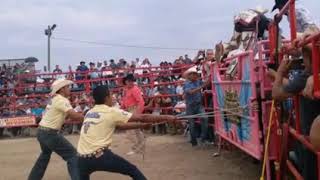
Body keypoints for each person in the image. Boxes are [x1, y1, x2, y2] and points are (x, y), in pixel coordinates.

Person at [77, 85, 177, 180]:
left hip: (81, 159)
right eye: (111, 95)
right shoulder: (111, 111)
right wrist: (167, 117)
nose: (113, 97)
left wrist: (142, 126)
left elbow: (120, 126)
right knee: (133, 170)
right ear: (107, 97)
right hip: (99, 156)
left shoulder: (89, 112)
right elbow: (143, 117)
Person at [28, 79, 84, 180]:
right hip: (50, 134)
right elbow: (74, 116)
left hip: (42, 132)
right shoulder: (62, 100)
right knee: (72, 156)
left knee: (44, 156)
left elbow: (65, 116)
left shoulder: (55, 99)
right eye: (67, 87)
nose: (69, 89)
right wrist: (89, 117)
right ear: (62, 89)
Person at [183, 66, 210, 147]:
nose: (196, 76)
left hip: (198, 105)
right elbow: (191, 92)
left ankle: (202, 139)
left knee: (204, 118)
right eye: (194, 74)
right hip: (190, 106)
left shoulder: (197, 81)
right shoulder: (187, 83)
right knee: (192, 124)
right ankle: (194, 141)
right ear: (190, 75)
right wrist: (201, 87)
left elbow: (206, 83)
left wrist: (210, 75)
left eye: (196, 74)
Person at [121, 74, 146, 155]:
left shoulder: (135, 89)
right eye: (129, 81)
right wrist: (123, 107)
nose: (130, 82)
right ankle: (140, 147)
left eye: (131, 81)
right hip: (129, 110)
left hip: (134, 110)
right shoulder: (126, 89)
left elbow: (141, 102)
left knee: (131, 131)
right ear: (126, 81)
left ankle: (136, 148)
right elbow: (125, 100)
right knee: (136, 130)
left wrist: (138, 113)